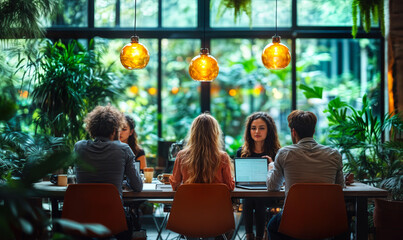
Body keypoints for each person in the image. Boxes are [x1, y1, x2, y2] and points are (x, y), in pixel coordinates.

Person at [266, 110, 344, 240]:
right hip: (326, 219)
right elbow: (339, 187)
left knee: (272, 226)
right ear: (313, 131)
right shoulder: (334, 154)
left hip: (294, 219)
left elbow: (272, 187)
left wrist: (271, 168)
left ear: (293, 132)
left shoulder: (285, 153)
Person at [74, 105, 143, 240]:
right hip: (113, 217)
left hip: (83, 216)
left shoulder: (79, 147)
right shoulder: (123, 149)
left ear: (91, 129)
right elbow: (138, 186)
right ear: (114, 130)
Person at [237, 112, 281, 240]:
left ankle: (257, 237)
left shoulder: (276, 152)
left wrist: (272, 165)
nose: (257, 131)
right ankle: (251, 236)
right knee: (250, 197)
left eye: (261, 128)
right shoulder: (242, 152)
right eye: (253, 128)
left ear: (269, 131)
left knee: (258, 197)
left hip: (270, 193)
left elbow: (281, 179)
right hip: (248, 193)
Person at [169, 113, 235, 191]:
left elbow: (175, 186)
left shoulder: (181, 155)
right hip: (215, 203)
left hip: (190, 202)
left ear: (193, 133)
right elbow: (230, 187)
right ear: (215, 134)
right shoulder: (223, 157)